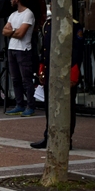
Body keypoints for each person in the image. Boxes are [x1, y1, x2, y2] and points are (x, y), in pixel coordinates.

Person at [30, 14, 83, 149]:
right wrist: (42, 69)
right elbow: (45, 50)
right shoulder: (48, 24)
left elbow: (77, 52)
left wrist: (74, 74)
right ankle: (49, 136)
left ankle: (66, 138)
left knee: (67, 107)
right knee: (50, 106)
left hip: (66, 72)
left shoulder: (74, 24)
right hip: (50, 71)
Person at [4, 0, 36, 116]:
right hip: (12, 48)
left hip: (23, 50)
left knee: (26, 80)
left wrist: (11, 31)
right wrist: (14, 31)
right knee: (15, 79)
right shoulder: (12, 15)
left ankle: (31, 105)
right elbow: (4, 31)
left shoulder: (28, 14)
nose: (11, 0)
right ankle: (19, 104)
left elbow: (21, 33)